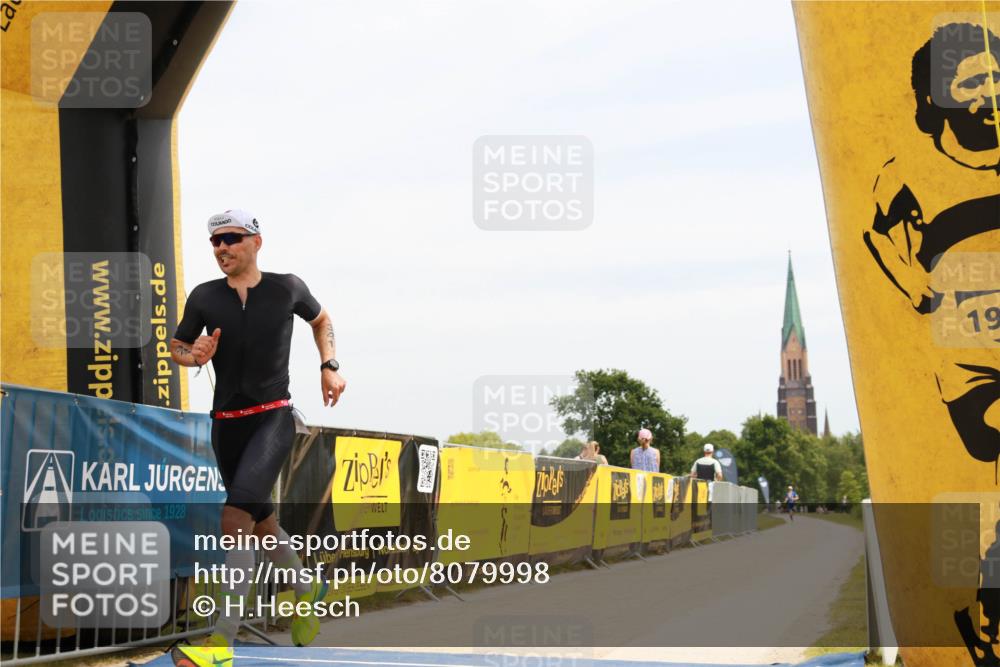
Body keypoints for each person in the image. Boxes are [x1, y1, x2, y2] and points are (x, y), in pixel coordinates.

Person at [169, 210, 347, 667]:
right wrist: (194, 355)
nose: (221, 248)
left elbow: (321, 318)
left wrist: (329, 365)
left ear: (256, 242)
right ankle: (307, 591)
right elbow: (178, 346)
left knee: (234, 519)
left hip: (273, 418)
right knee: (263, 526)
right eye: (214, 242)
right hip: (226, 424)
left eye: (231, 238)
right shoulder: (205, 297)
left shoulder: (286, 286)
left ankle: (220, 645)